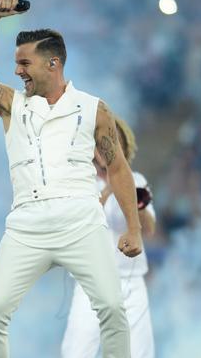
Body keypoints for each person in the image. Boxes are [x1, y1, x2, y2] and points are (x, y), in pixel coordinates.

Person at [0, 0, 143, 357]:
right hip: (26, 226)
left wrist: (134, 228)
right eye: (15, 64)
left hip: (81, 222)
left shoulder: (93, 108)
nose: (17, 71)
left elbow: (117, 167)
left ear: (53, 63)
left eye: (24, 63)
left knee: (112, 309)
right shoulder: (12, 104)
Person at [61, 116, 156, 358]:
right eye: (100, 141)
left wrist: (139, 206)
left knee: (138, 352)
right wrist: (112, 185)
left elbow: (150, 230)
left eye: (111, 141)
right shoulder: (79, 181)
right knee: (77, 350)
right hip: (92, 284)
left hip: (131, 282)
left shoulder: (138, 181)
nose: (106, 147)